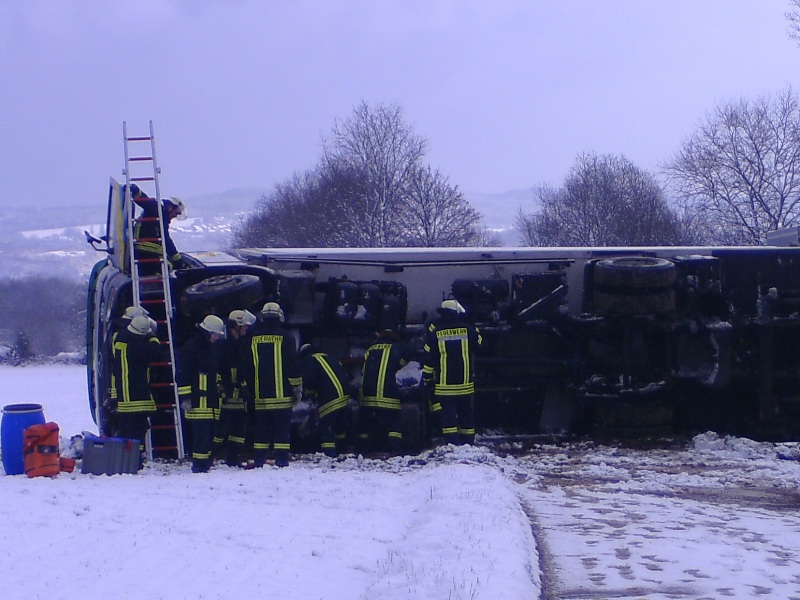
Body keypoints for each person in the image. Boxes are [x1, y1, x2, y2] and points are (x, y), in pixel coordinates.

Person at [242, 302, 302, 467]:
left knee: (262, 431)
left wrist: (249, 391)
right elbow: (292, 365)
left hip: (260, 397)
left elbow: (247, 367)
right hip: (282, 397)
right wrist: (296, 388)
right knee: (281, 431)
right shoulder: (286, 337)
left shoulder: (252, 338)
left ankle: (260, 460)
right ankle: (281, 460)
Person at [422, 299, 483, 445]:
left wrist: (428, 380)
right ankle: (468, 444)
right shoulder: (468, 330)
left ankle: (452, 445)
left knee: (449, 418)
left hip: (445, 387)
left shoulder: (435, 334)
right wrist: (473, 327)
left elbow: (428, 360)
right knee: (466, 416)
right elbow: (480, 344)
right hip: (465, 385)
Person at [176, 314, 226, 473]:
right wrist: (185, 398)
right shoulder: (190, 348)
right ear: (207, 332)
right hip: (197, 403)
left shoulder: (210, 349)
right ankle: (199, 466)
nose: (217, 338)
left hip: (210, 402)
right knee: (201, 437)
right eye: (215, 335)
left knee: (210, 434)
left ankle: (205, 464)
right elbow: (182, 375)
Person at [110, 314, 162, 462]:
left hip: (124, 394)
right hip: (137, 393)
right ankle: (135, 460)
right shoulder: (137, 346)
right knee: (137, 429)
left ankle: (124, 458)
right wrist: (153, 337)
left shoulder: (120, 338)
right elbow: (155, 353)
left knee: (126, 428)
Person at [213, 309, 257, 466]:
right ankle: (208, 457)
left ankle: (233, 459)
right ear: (236, 326)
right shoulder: (224, 346)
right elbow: (219, 369)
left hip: (239, 397)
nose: (246, 329)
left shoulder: (240, 344)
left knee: (239, 431)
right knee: (221, 430)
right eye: (244, 326)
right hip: (227, 397)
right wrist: (223, 389)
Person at [358, 329, 412, 454]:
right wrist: (399, 364)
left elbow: (364, 370)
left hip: (368, 395)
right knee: (394, 424)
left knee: (364, 425)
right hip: (387, 394)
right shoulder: (396, 348)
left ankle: (363, 450)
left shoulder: (370, 349)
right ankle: (396, 450)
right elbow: (410, 353)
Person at [299, 343, 351, 458]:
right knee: (339, 427)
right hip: (345, 396)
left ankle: (329, 455)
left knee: (326, 428)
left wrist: (308, 393)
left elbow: (310, 380)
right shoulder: (329, 357)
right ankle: (341, 450)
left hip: (330, 397)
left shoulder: (309, 360)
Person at [128, 183, 187, 275]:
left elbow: (165, 239)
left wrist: (176, 257)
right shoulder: (157, 209)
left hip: (147, 252)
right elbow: (146, 202)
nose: (175, 216)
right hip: (146, 253)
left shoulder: (162, 217)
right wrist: (136, 191)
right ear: (170, 207)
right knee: (169, 270)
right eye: (176, 213)